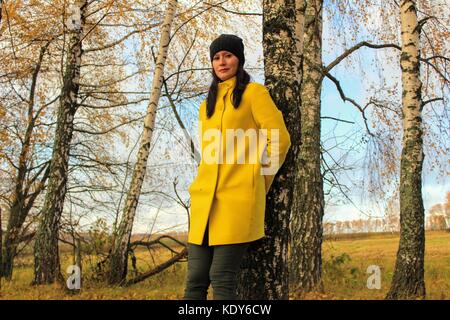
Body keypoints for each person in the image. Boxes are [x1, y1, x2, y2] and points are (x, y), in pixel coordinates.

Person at [183, 34, 291, 300]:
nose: (222, 62)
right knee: (195, 279)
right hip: (203, 204)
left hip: (236, 202)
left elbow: (280, 139)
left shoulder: (254, 93)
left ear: (239, 59)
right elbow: (209, 154)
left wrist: (260, 179)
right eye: (216, 58)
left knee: (221, 277)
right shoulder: (204, 106)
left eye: (228, 56)